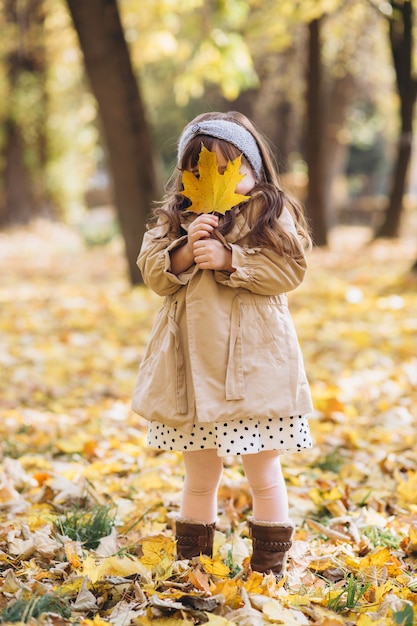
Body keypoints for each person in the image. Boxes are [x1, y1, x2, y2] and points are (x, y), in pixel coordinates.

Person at [132, 111, 314, 579]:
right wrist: (187, 250)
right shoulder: (176, 218)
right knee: (199, 476)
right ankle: (193, 565)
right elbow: (153, 274)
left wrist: (233, 258)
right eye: (200, 170)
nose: (219, 183)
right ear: (185, 176)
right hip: (191, 373)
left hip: (253, 369)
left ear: (256, 172)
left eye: (236, 171)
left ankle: (268, 568)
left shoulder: (270, 213)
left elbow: (290, 270)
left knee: (264, 474)